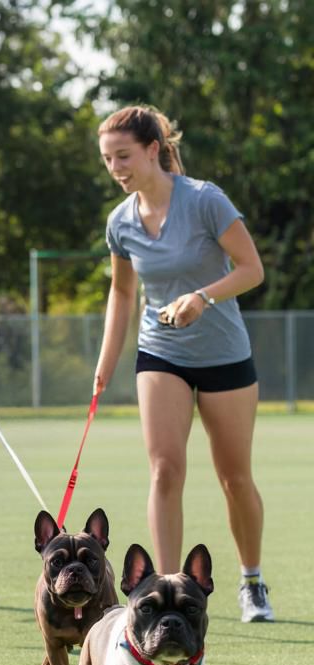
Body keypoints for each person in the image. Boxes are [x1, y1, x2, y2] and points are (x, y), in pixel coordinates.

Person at [94, 104, 272, 622]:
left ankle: (252, 581)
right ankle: (163, 591)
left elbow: (251, 269)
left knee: (235, 477)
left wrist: (202, 297)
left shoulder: (205, 200)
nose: (116, 168)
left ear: (153, 150)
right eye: (108, 160)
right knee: (164, 470)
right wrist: (107, 362)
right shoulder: (120, 222)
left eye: (123, 156)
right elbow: (122, 295)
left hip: (224, 354)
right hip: (161, 352)